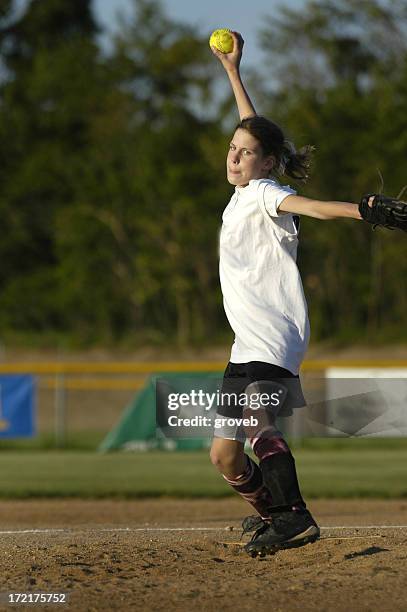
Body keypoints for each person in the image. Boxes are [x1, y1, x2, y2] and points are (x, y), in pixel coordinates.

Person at [209, 31, 363, 558]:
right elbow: (256, 132)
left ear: (267, 164)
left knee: (258, 418)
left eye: (246, 153)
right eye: (232, 148)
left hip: (275, 338)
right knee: (224, 456)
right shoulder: (242, 194)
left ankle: (294, 516)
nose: (235, 156)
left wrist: (364, 211)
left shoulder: (268, 194)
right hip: (243, 346)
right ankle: (274, 514)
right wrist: (233, 74)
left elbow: (315, 207)